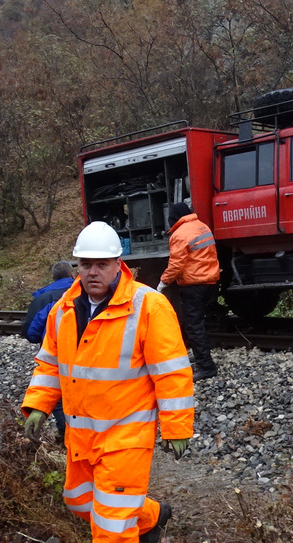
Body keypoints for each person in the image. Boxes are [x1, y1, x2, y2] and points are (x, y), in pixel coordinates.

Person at [22, 221, 193, 543]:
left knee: (111, 527)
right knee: (80, 500)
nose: (93, 272)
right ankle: (152, 516)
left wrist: (177, 427)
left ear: (119, 265)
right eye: (86, 264)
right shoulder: (63, 311)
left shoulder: (148, 306)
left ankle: (135, 523)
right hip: (82, 435)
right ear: (77, 266)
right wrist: (38, 405)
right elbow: (49, 364)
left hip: (126, 433)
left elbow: (171, 371)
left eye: (102, 264)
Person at [157, 202, 220, 382]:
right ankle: (201, 355)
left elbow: (176, 265)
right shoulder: (201, 226)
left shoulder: (180, 234)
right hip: (210, 281)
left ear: (174, 219)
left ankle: (206, 367)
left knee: (193, 325)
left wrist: (162, 283)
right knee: (199, 321)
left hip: (194, 284)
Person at [21, 261, 74, 441]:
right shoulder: (90, 292)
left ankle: (65, 434)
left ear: (53, 277)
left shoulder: (43, 299)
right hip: (85, 357)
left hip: (55, 357)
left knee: (58, 398)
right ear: (72, 274)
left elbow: (31, 333)